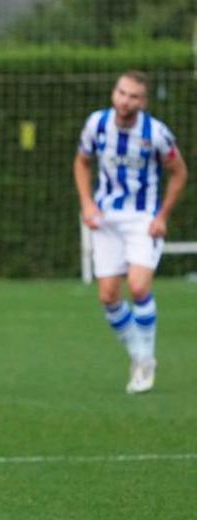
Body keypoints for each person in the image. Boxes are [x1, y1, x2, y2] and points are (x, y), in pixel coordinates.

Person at [74, 70, 186, 394]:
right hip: (106, 218)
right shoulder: (96, 124)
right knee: (108, 295)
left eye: (134, 96)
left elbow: (179, 173)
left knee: (138, 287)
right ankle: (140, 357)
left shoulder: (156, 133)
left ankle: (145, 358)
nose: (126, 100)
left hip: (143, 218)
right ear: (114, 93)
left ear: (144, 101)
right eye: (122, 93)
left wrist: (162, 215)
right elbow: (81, 162)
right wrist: (87, 204)